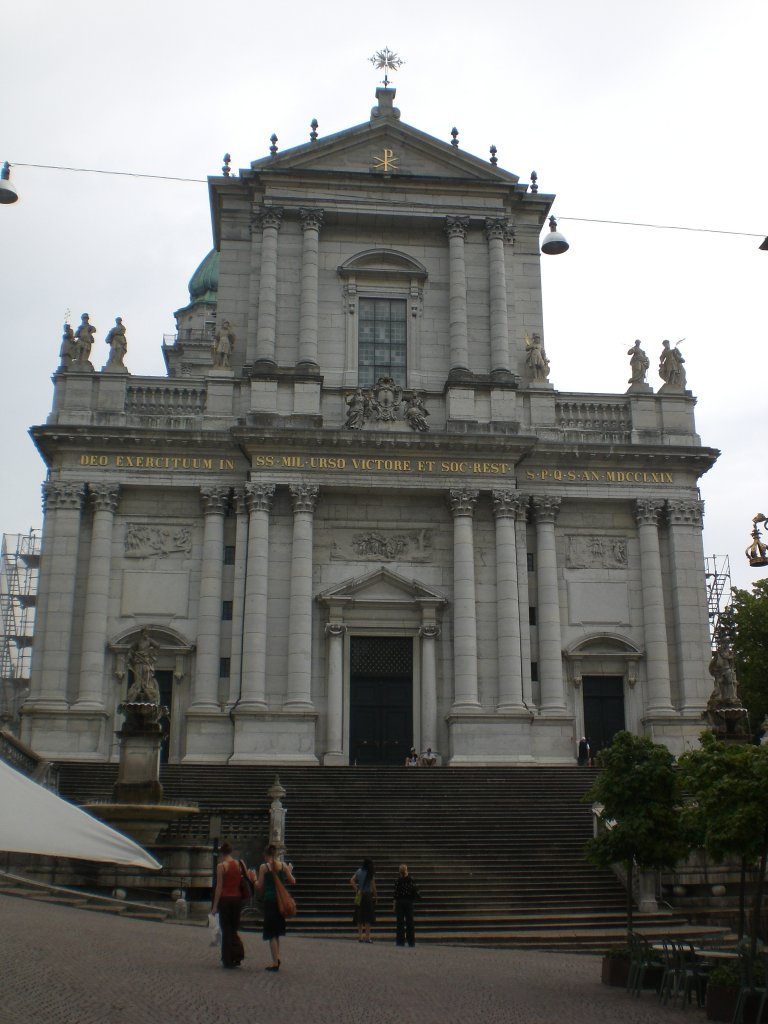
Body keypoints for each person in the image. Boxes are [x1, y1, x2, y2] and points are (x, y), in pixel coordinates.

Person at [255, 843, 296, 971]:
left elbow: (259, 886)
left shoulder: (264, 867)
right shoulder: (283, 866)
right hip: (280, 903)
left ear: (266, 855)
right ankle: (277, 957)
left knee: (271, 932)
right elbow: (293, 881)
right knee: (276, 931)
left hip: (270, 900)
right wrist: (289, 871)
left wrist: (252, 879)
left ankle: (274, 961)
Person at [210, 841, 250, 969]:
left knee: (226, 929)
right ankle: (237, 954)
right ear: (231, 851)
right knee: (234, 928)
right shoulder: (239, 863)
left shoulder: (222, 866)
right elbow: (246, 877)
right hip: (237, 899)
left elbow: (219, 887)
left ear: (222, 853)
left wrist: (215, 905)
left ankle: (227, 958)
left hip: (225, 899)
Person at [350, 858, 377, 942]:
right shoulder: (370, 873)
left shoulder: (358, 871)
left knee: (359, 915)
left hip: (359, 895)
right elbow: (373, 886)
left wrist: (357, 890)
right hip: (367, 895)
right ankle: (367, 937)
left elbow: (351, 880)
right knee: (368, 917)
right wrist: (376, 896)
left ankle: (360, 936)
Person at [392, 864, 419, 947]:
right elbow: (415, 891)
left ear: (399, 871)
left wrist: (394, 905)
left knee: (400, 923)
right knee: (410, 922)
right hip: (409, 902)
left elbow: (395, 894)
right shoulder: (411, 880)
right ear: (407, 870)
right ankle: (411, 941)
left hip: (400, 902)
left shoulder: (398, 881)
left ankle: (400, 941)